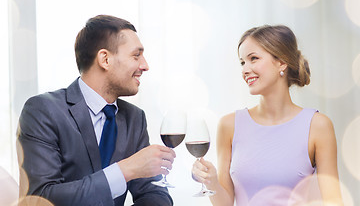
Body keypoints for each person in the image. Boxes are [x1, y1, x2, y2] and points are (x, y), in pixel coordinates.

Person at [17, 15, 175, 206]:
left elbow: (156, 194)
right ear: (105, 59)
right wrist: (125, 170)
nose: (145, 65)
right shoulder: (43, 111)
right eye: (136, 55)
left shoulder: (135, 118)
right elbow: (40, 198)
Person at [192, 25, 343, 205]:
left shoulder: (317, 125)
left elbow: (333, 201)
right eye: (242, 62)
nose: (245, 70)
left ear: (282, 62)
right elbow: (224, 203)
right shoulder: (229, 125)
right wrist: (211, 180)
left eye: (253, 59)